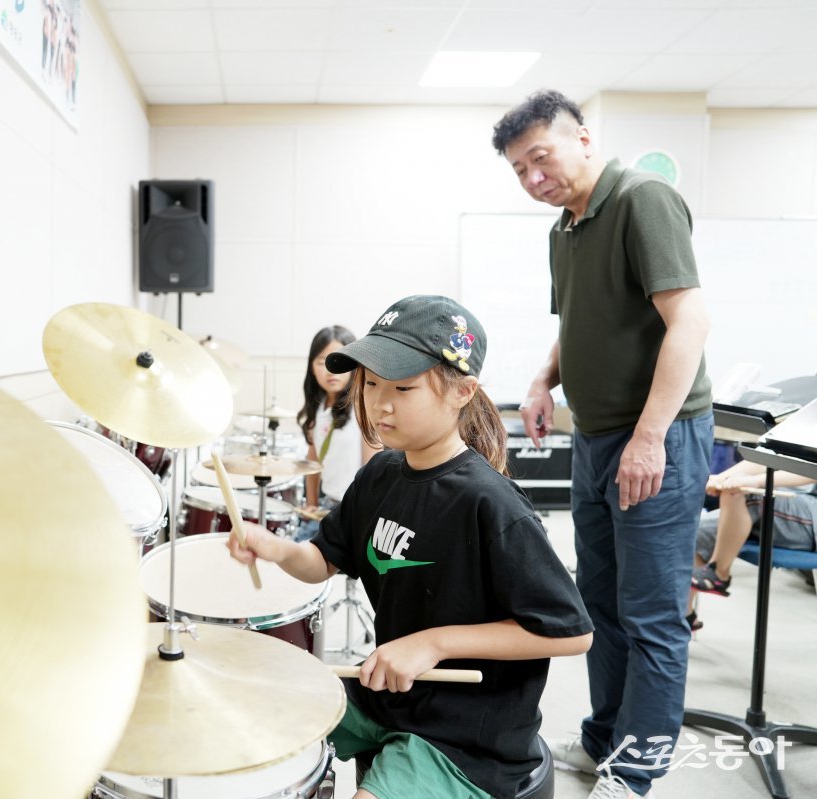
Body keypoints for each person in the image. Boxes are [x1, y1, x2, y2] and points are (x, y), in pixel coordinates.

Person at [228, 295, 593, 799]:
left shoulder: (490, 503)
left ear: (462, 391)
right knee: (254, 718)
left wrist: (433, 643)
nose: (379, 404)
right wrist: (276, 549)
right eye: (372, 384)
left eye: (402, 387)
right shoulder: (380, 474)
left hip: (467, 737)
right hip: (390, 696)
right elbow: (324, 560)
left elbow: (569, 633)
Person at [492, 90, 714, 799]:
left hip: (658, 436)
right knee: (600, 601)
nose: (533, 178)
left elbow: (689, 319)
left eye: (541, 158)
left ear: (582, 138)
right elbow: (578, 320)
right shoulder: (565, 227)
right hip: (594, 436)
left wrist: (650, 438)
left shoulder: (643, 199)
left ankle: (638, 768)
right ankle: (604, 738)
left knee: (650, 613)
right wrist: (540, 382)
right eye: (519, 170)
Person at [688, 460, 817, 629]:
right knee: (697, 531)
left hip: (811, 513)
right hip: (791, 504)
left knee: (743, 492)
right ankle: (682, 616)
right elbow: (766, 457)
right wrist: (723, 478)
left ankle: (718, 573)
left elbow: (811, 469)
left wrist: (754, 481)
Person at [294, 325, 378, 541]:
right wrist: (311, 504)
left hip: (355, 511)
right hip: (327, 507)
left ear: (354, 366)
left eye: (339, 362)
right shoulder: (319, 407)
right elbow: (312, 461)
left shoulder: (362, 406)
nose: (331, 370)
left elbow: (374, 468)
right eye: (322, 362)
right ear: (312, 367)